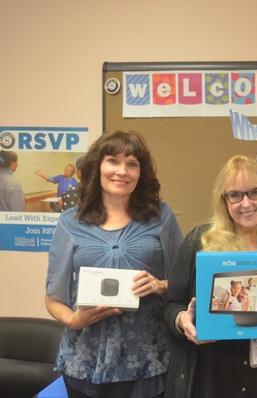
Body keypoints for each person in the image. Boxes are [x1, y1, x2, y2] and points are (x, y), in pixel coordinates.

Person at [163, 155, 257, 398]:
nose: (246, 203)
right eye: (235, 195)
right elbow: (170, 306)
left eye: (255, 192)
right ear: (224, 201)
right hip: (212, 378)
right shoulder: (200, 243)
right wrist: (183, 320)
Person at [45, 129, 183, 398]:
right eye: (113, 161)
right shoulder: (71, 222)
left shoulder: (160, 216)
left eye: (132, 164)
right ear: (98, 166)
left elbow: (185, 282)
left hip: (148, 359)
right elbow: (53, 297)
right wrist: (73, 320)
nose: (122, 171)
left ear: (141, 173)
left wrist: (160, 285)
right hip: (85, 360)